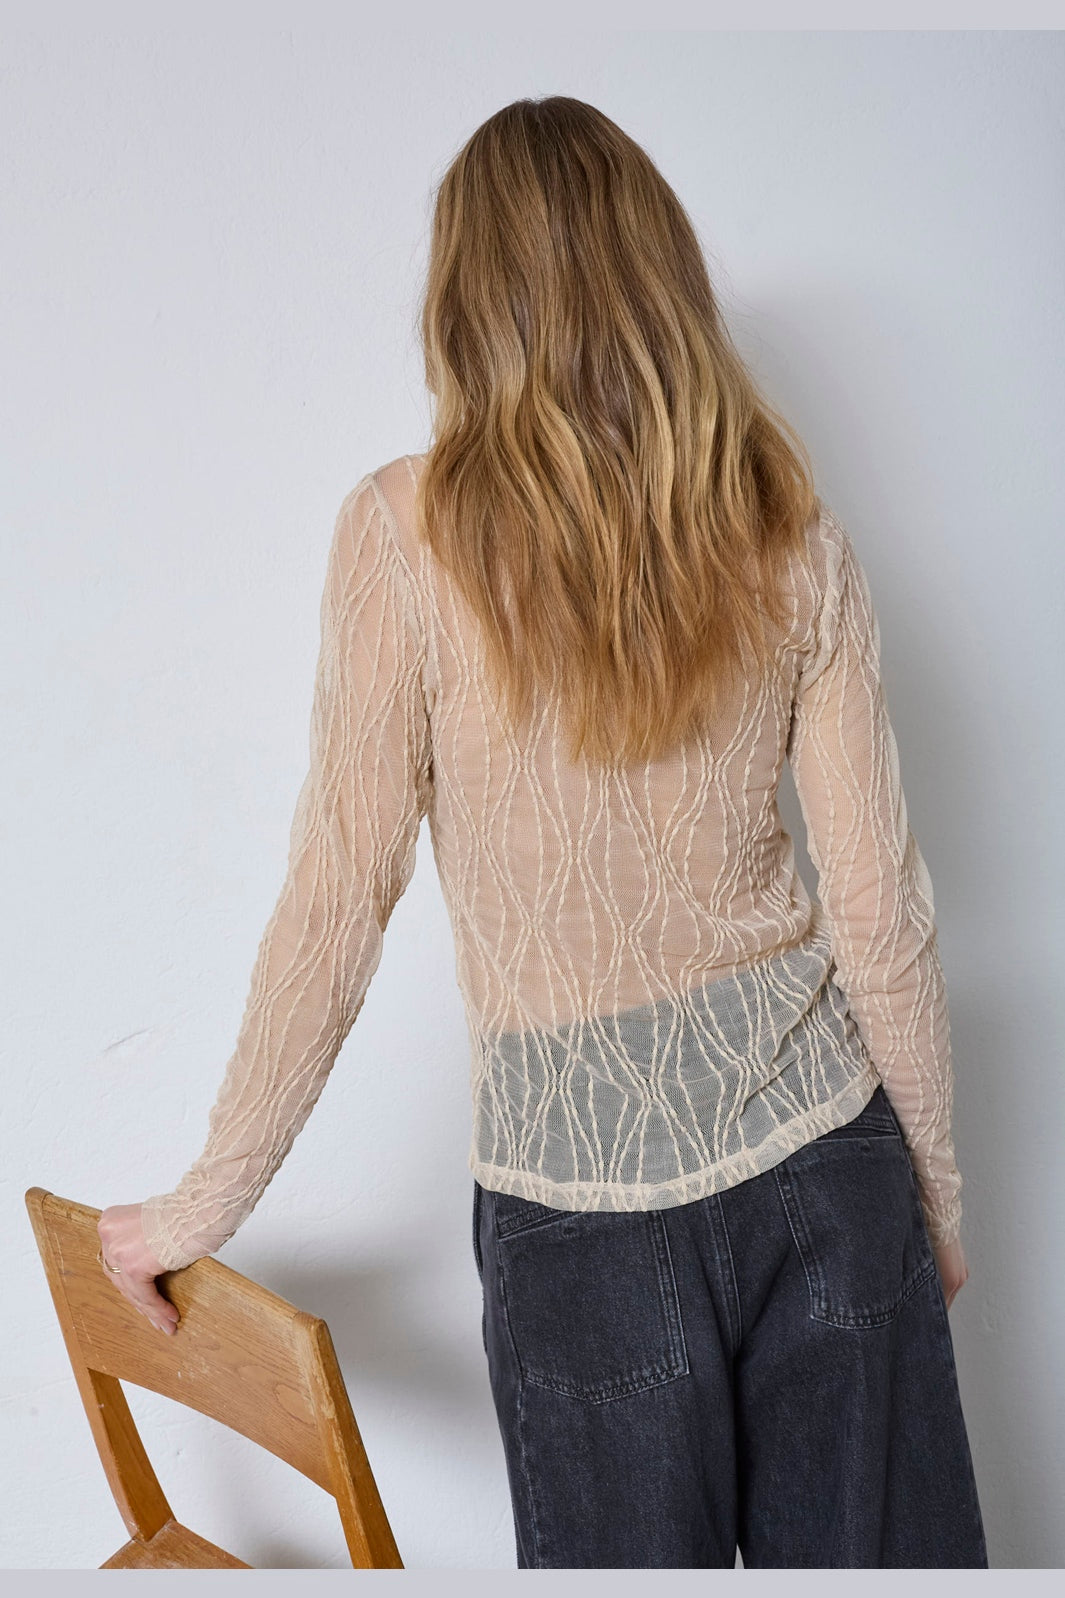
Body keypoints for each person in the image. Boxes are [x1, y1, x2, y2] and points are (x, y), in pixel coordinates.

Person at [95, 95, 988, 1569]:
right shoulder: (784, 522)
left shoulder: (401, 537)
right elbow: (881, 906)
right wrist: (930, 1198)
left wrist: (203, 1200)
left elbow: (338, 893)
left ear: (463, 297)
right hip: (831, 1180)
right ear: (662, 273)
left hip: (582, 1236)